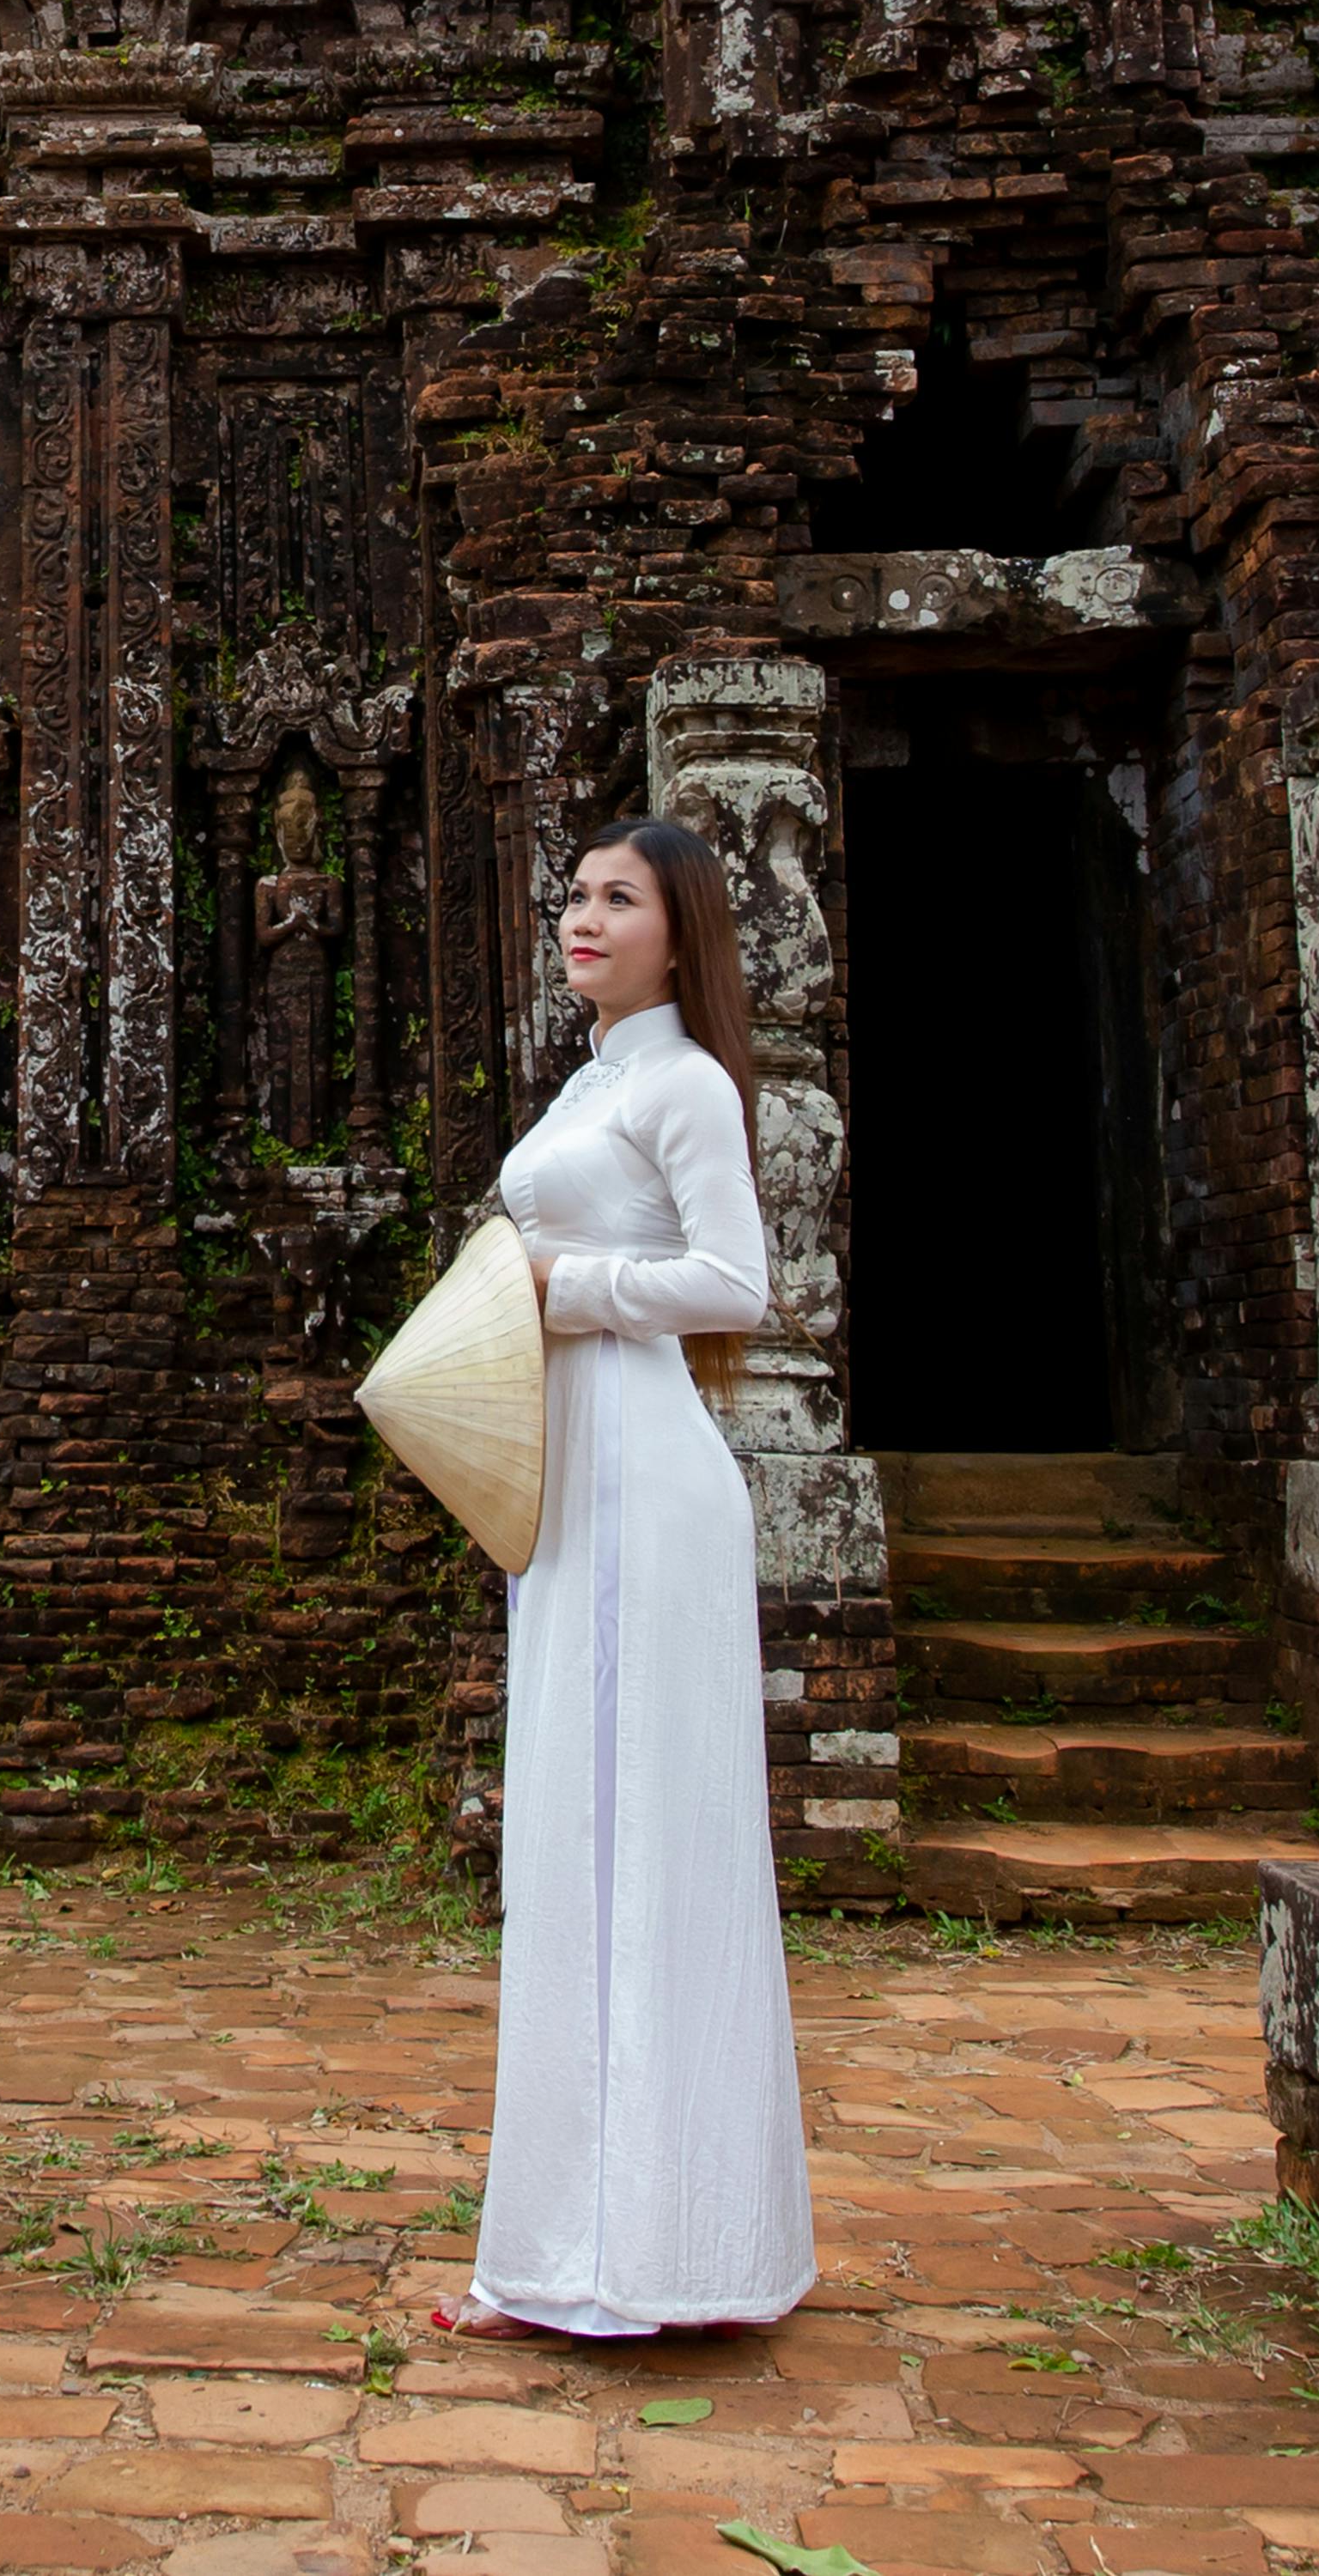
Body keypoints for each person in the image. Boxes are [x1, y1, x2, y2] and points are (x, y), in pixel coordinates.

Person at [440, 816, 819, 2342]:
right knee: (574, 1847)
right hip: (568, 1482)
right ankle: (561, 2245)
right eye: (574, 892)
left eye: (618, 898)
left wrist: (561, 1286)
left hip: (651, 1485)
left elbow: (738, 1287)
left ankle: (674, 2249)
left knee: (655, 1843)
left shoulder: (687, 1085)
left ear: (683, 930)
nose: (581, 916)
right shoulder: (593, 1082)